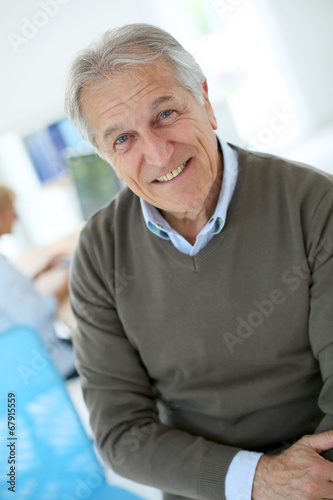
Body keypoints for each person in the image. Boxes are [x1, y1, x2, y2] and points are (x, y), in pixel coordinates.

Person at [65, 23, 333, 500]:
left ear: (205, 101)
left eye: (165, 113)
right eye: (123, 140)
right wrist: (257, 480)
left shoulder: (313, 204)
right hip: (209, 488)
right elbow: (121, 436)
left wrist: (308, 480)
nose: (157, 151)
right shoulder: (98, 255)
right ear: (105, 156)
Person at [0, 183, 77, 379]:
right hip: (49, 366)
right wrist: (69, 282)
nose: (16, 217)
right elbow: (33, 318)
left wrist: (42, 271)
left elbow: (12, 298)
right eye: (11, 210)